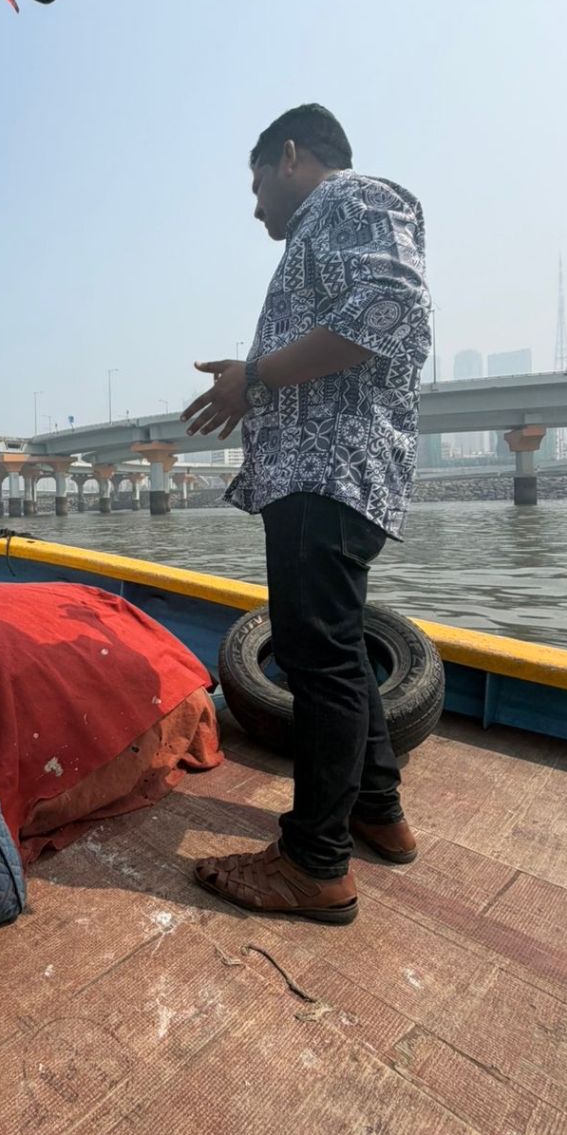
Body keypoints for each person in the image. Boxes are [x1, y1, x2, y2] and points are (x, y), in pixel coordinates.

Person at [183, 104, 431, 924]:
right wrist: (252, 376)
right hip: (321, 475)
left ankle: (313, 864)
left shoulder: (351, 198)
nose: (255, 205)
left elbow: (388, 311)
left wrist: (254, 379)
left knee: (317, 658)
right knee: (337, 648)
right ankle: (375, 809)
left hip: (327, 474)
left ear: (291, 156)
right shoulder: (325, 225)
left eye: (257, 183)